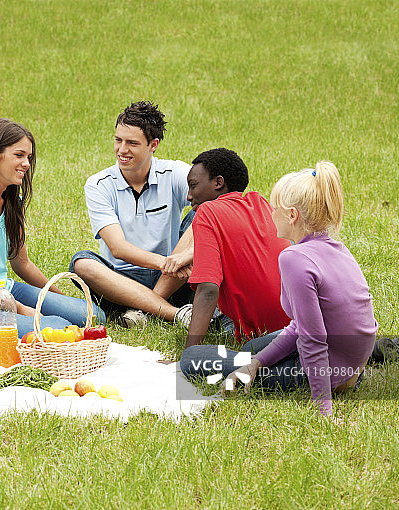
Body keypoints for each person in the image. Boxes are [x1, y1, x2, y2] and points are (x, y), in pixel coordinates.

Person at [181, 161, 378, 417]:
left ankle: (261, 366)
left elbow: (313, 339)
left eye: (274, 209)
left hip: (327, 370)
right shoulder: (336, 247)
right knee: (251, 351)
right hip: (350, 363)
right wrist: (256, 363)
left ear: (292, 215)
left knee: (192, 358)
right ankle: (252, 361)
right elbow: (300, 326)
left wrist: (324, 410)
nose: (270, 215)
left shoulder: (294, 258)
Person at [0, 118, 103, 338]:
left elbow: (21, 263)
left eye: (28, 157)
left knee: (92, 315)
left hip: (4, 290)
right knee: (60, 329)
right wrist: (24, 310)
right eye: (19, 155)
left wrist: (58, 297)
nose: (26, 163)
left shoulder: (11, 200)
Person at [69, 101, 195, 328]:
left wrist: (186, 256)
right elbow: (118, 248)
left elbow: (220, 203)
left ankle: (143, 310)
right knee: (81, 263)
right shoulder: (98, 184)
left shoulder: (174, 173)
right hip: (122, 281)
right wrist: (169, 263)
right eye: (118, 140)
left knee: (204, 214)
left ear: (153, 145)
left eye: (132, 143)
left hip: (172, 279)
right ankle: (175, 314)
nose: (122, 150)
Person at [183, 148, 290, 347]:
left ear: (218, 182)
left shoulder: (207, 212)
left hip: (263, 338)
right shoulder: (261, 203)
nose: (189, 196)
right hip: (299, 325)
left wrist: (190, 353)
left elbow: (208, 289)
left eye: (193, 185)